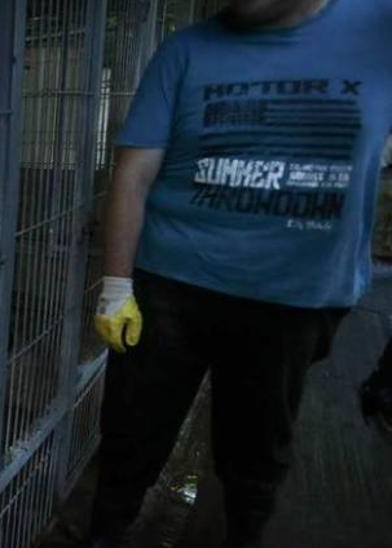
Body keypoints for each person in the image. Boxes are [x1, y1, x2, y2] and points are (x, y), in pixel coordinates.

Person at [87, 1, 392, 547]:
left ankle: (243, 535)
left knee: (255, 450)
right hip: (171, 285)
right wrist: (116, 286)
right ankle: (105, 532)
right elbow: (132, 173)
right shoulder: (185, 49)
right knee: (133, 433)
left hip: (293, 300)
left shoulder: (378, 28)